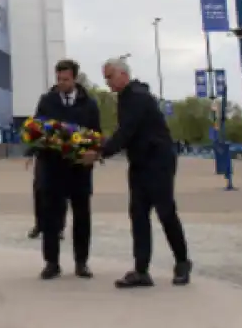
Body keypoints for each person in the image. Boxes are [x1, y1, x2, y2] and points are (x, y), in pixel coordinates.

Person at [82, 57, 192, 288]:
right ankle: (141, 270)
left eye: (109, 77)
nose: (107, 83)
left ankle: (182, 262)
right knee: (139, 215)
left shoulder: (137, 97)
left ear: (123, 75)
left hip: (158, 162)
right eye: (105, 78)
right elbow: (126, 133)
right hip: (140, 162)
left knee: (165, 212)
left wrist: (101, 152)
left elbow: (126, 132)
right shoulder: (127, 97)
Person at [33, 59, 101, 280]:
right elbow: (37, 129)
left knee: (82, 216)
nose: (61, 83)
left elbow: (96, 134)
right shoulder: (46, 101)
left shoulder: (89, 103)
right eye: (58, 79)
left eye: (66, 79)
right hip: (52, 170)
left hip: (79, 170)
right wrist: (45, 143)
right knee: (50, 217)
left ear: (75, 78)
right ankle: (51, 263)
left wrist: (90, 151)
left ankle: (81, 262)